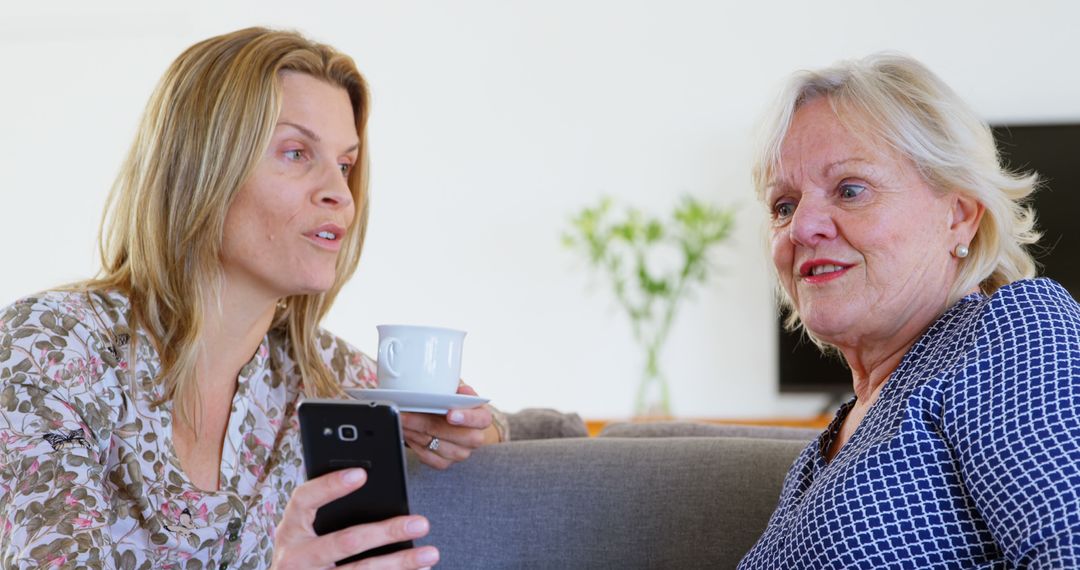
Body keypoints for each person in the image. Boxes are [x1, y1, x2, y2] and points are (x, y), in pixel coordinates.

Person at [0, 27, 508, 568]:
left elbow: (510, 425)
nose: (339, 193)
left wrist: (459, 431)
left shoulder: (317, 373)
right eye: (295, 152)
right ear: (201, 167)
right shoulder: (48, 348)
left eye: (345, 164)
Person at [739, 53, 1080, 568]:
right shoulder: (827, 447)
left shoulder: (1011, 330)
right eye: (783, 206)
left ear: (959, 216)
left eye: (850, 189)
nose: (802, 227)